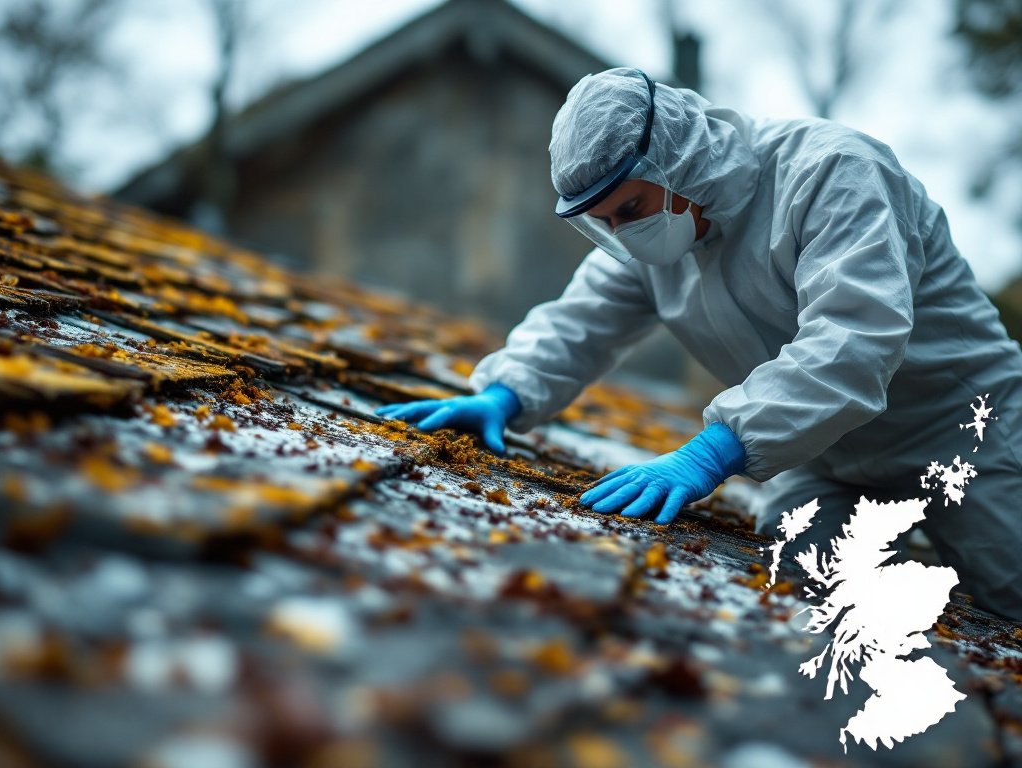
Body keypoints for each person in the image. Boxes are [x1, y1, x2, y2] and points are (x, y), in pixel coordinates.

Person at [377, 68, 1022, 620]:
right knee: (801, 586)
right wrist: (503, 393)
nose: (623, 234)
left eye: (628, 210)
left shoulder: (833, 173)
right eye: (603, 222)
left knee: (1010, 591)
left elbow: (855, 340)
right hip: (822, 459)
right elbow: (579, 322)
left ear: (676, 162)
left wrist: (714, 451)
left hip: (963, 430)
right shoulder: (655, 239)